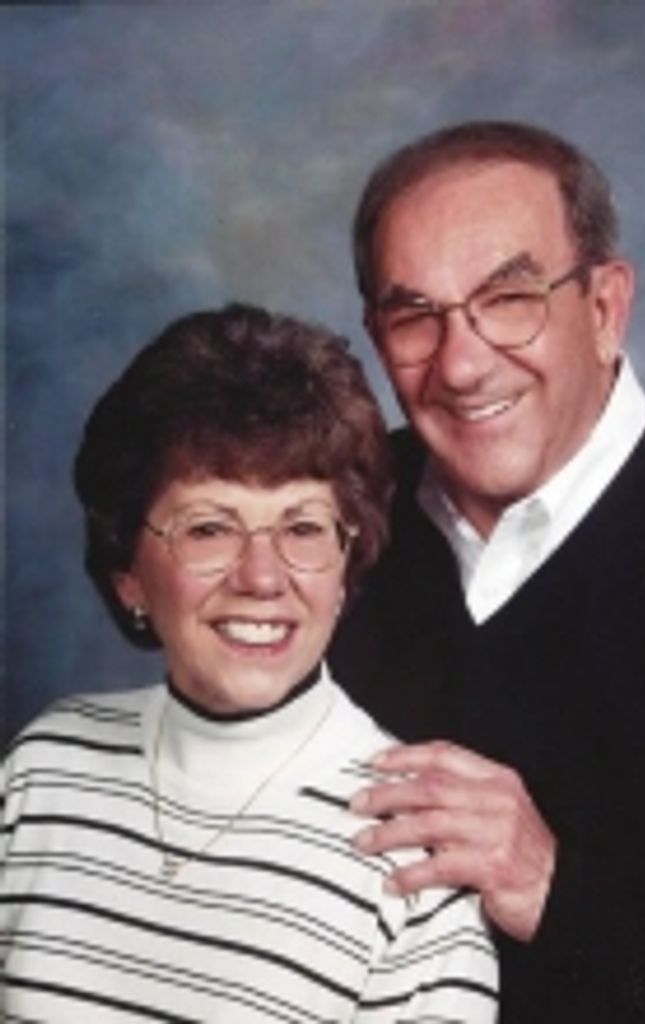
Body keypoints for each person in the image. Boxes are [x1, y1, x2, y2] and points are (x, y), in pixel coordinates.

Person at [329, 121, 645, 1023]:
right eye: (415, 318)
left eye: (509, 299)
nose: (461, 364)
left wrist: (554, 888)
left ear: (605, 308)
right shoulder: (328, 520)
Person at [0, 304, 498, 1022]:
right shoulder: (41, 771)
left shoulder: (413, 857)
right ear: (128, 573)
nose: (262, 577)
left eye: (303, 527)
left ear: (347, 563)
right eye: (209, 528)